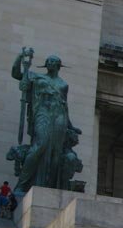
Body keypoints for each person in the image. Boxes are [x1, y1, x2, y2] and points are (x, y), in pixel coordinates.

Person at [11, 50, 82, 193]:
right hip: (43, 113)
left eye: (53, 61)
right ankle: (22, 184)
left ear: (58, 65)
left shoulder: (63, 85)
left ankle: (51, 186)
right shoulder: (36, 77)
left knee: (57, 152)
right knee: (40, 146)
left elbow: (65, 105)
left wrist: (71, 126)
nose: (50, 63)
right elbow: (16, 74)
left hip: (59, 116)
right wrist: (20, 57)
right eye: (48, 61)